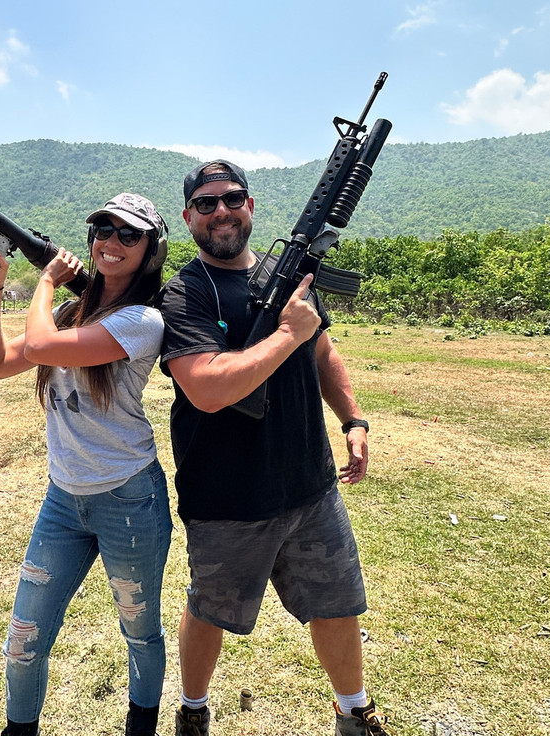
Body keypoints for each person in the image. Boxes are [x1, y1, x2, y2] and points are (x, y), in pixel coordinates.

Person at [157, 161, 388, 736]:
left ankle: (354, 711)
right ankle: (192, 709)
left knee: (337, 604)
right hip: (228, 494)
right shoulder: (183, 294)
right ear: (188, 217)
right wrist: (288, 331)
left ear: (251, 206)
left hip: (310, 484)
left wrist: (352, 418)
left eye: (232, 199)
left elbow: (321, 351)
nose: (221, 212)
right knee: (212, 609)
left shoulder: (288, 279)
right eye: (205, 204)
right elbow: (208, 389)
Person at [0, 193, 173, 736]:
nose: (111, 243)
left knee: (140, 632)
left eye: (128, 235)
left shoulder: (142, 321)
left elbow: (39, 346)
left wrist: (41, 281)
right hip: (63, 499)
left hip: (130, 498)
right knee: (23, 637)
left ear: (150, 251)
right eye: (103, 230)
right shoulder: (68, 314)